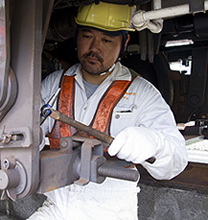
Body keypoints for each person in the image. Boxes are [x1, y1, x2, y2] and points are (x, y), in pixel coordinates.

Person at [29, 2, 188, 219]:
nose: (94, 48)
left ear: (124, 43)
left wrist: (155, 144)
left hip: (111, 211)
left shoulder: (141, 93)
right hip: (58, 207)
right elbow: (30, 132)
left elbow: (177, 161)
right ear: (76, 37)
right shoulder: (55, 83)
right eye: (87, 36)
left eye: (107, 40)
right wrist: (25, 137)